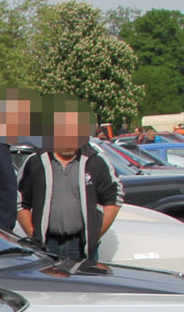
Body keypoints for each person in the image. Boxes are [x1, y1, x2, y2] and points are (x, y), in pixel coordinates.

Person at [19, 111, 122, 262]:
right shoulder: (36, 161)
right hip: (47, 246)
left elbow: (114, 198)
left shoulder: (96, 161)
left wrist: (94, 234)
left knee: (84, 285)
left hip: (81, 246)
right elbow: (20, 201)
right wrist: (33, 235)